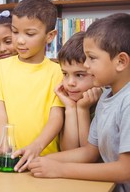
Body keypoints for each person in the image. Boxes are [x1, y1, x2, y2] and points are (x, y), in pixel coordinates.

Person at [28, 13, 130, 192]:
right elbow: (89, 152)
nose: (87, 66)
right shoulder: (108, 97)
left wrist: (60, 169)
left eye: (92, 58)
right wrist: (35, 160)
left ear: (121, 62)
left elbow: (125, 170)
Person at [0, 0, 64, 172]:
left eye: (30, 34)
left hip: (43, 162)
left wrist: (36, 147)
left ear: (50, 36)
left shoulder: (57, 72)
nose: (20, 40)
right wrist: (4, 149)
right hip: (9, 160)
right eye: (15, 32)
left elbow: (56, 117)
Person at [56, 32, 102, 151]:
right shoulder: (67, 100)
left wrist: (83, 110)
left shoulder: (104, 102)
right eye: (65, 74)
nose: (70, 82)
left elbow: (89, 154)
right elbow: (69, 151)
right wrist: (71, 108)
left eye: (79, 75)